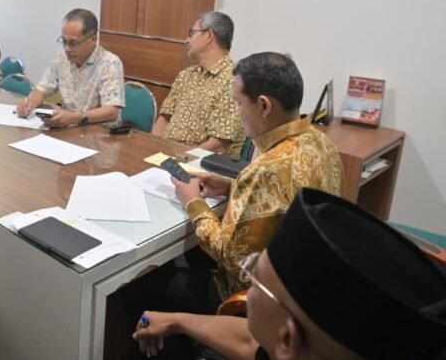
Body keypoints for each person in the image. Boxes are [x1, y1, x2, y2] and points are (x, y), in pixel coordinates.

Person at [127, 52, 344, 358]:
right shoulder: (321, 143)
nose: (238, 113)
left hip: (254, 299)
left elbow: (235, 261)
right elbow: (287, 200)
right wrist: (234, 186)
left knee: (142, 282)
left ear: (264, 105)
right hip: (306, 287)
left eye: (239, 103)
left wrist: (194, 203)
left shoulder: (266, 169)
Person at [132, 188, 446, 359]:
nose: (247, 284)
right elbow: (249, 345)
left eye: (254, 278)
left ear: (288, 337)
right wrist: (178, 320)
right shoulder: (308, 348)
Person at [152, 11, 245, 156]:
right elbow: (164, 119)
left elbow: (218, 144)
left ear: (209, 35)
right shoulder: (186, 75)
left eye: (192, 33)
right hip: (167, 157)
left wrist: (179, 159)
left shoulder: (233, 80)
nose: (186, 40)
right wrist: (152, 149)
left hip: (200, 166)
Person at [16, 8, 124, 127]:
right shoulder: (61, 59)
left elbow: (112, 111)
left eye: (73, 43)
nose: (67, 48)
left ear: (93, 40)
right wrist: (28, 104)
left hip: (99, 134)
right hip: (69, 129)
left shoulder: (110, 64)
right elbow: (41, 90)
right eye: (64, 41)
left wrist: (76, 117)